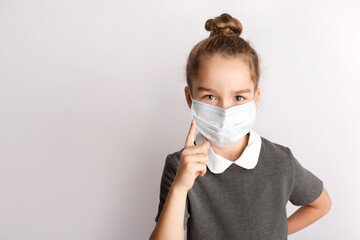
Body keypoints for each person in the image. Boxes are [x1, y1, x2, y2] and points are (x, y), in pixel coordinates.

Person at [149, 13, 331, 240]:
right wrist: (180, 187)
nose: (225, 110)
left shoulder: (280, 161)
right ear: (190, 98)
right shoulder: (180, 166)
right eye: (210, 96)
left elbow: (321, 204)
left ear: (255, 98)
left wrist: (277, 232)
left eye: (238, 98)